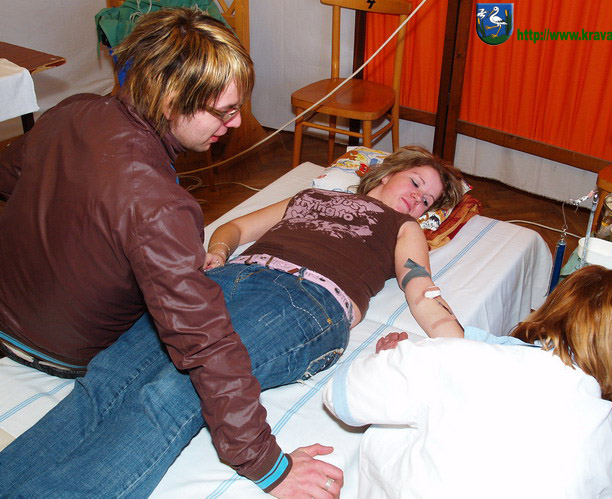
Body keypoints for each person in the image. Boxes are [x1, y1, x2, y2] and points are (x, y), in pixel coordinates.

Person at [0, 127, 466, 495]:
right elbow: (236, 228)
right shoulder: (315, 196)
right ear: (385, 174)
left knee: (178, 390)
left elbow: (421, 292)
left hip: (304, 299)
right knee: (109, 374)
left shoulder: (402, 226)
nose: (417, 199)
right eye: (416, 183)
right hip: (227, 278)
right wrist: (219, 253)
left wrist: (463, 352)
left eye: (427, 200)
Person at [0, 7, 334, 497]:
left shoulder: (73, 111)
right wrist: (267, 465)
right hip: (63, 350)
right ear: (172, 98)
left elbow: (9, 181)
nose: (236, 122)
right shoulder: (160, 205)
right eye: (224, 111)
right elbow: (205, 344)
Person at [323, 265, 612, 498]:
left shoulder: (454, 359)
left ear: (554, 308)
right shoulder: (609, 434)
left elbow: (341, 397)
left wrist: (390, 360)